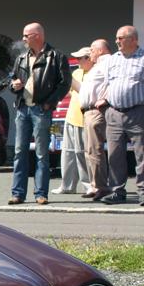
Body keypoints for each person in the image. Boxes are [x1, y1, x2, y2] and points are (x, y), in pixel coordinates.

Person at [96, 25, 144, 206]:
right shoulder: (111, 60)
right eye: (116, 38)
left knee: (143, 153)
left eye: (121, 38)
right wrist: (105, 100)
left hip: (138, 112)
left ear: (133, 40)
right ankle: (117, 191)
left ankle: (143, 191)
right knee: (114, 154)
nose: (116, 41)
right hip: (114, 112)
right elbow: (108, 84)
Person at [8, 22, 71, 205]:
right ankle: (18, 193)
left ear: (37, 35)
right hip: (23, 108)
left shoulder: (56, 56)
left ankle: (41, 194)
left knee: (42, 153)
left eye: (26, 35)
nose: (23, 39)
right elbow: (13, 81)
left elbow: (64, 83)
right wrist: (14, 86)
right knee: (20, 152)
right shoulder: (21, 58)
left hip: (41, 110)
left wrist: (49, 103)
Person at [53, 47, 94, 195]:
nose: (77, 62)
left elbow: (84, 91)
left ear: (89, 58)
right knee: (68, 153)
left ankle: (89, 185)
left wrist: (68, 79)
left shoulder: (95, 73)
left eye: (80, 58)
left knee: (83, 154)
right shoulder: (77, 72)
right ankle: (67, 185)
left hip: (84, 119)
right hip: (71, 117)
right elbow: (70, 93)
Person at [78, 39, 113, 200]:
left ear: (99, 51)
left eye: (91, 50)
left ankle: (102, 187)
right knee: (89, 151)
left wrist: (105, 99)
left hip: (96, 111)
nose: (89, 53)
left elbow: (113, 82)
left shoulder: (106, 63)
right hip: (88, 111)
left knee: (95, 150)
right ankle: (94, 185)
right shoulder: (96, 67)